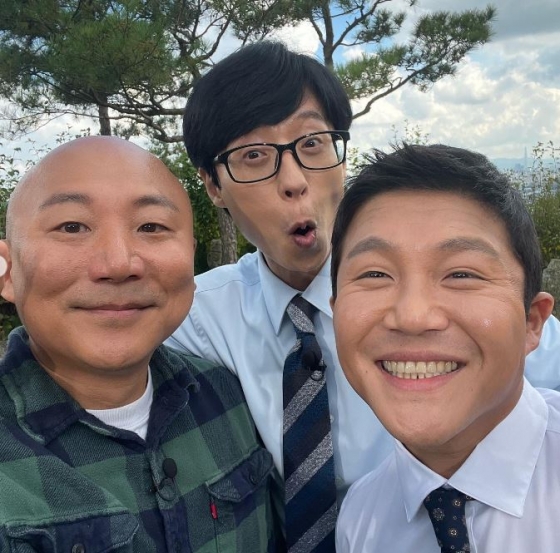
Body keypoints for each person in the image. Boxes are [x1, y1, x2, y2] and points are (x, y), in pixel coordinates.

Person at [165, 40, 560, 550]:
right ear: (213, 186)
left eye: (313, 143)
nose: (293, 181)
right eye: (254, 156)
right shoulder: (196, 316)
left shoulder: (485, 318)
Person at [0, 136, 280, 552]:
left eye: (151, 227)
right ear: (8, 271)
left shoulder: (226, 394)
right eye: (72, 227)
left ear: (189, 257)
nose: (118, 264)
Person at [331, 144, 559, 552]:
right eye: (375, 274)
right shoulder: (360, 519)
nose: (412, 316)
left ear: (532, 322)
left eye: (461, 274)